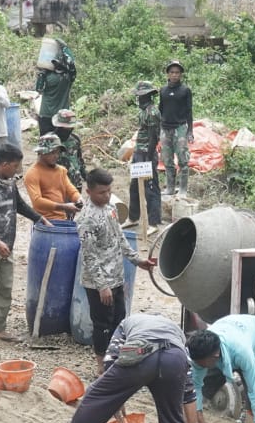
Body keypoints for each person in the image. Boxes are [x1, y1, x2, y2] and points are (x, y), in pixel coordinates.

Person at [41, 313, 201, 423]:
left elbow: (111, 359)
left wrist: (115, 400)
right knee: (173, 420)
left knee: (95, 397)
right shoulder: (177, 335)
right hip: (173, 360)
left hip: (141, 352)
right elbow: (188, 390)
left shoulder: (126, 324)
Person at [0, 142, 50, 353]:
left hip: (7, 247)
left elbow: (19, 205)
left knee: (4, 290)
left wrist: (39, 218)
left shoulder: (9, 183)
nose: (17, 170)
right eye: (15, 166)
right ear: (4, 164)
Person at [76, 168, 156, 371]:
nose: (107, 195)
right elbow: (89, 255)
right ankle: (101, 366)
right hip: (98, 282)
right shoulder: (87, 219)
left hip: (117, 277)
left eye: (109, 191)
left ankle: (117, 360)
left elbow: (120, 237)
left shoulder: (110, 208)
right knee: (102, 324)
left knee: (119, 321)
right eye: (102, 192)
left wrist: (137, 260)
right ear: (89, 191)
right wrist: (102, 286)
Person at [126, 80, 162, 233]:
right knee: (135, 185)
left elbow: (154, 137)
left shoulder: (152, 112)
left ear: (148, 96)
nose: (139, 99)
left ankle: (153, 223)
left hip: (147, 153)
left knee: (150, 187)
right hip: (139, 151)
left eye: (142, 96)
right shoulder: (143, 111)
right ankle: (133, 217)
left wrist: (148, 158)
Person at [24, 133, 82, 222]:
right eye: (52, 152)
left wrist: (79, 199)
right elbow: (37, 202)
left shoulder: (61, 171)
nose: (56, 156)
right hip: (43, 221)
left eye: (58, 152)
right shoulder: (33, 173)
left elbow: (71, 191)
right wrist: (63, 206)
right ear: (41, 152)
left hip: (62, 219)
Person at [159, 60, 194, 197]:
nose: (174, 75)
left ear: (181, 75)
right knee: (167, 160)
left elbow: (189, 111)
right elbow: (160, 109)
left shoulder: (185, 90)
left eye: (177, 72)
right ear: (168, 74)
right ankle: (170, 188)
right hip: (165, 128)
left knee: (183, 159)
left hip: (180, 128)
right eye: (172, 72)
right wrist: (158, 129)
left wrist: (190, 131)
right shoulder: (163, 90)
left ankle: (183, 189)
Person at [35, 39, 74, 134]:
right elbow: (72, 63)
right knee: (60, 143)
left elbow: (38, 89)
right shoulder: (68, 77)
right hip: (62, 117)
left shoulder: (46, 77)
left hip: (46, 115)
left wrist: (42, 73)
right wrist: (65, 47)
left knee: (46, 143)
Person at [52, 108, 87, 192]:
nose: (68, 130)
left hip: (75, 183)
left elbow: (79, 160)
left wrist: (85, 175)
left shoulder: (75, 140)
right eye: (65, 128)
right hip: (57, 185)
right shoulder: (50, 141)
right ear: (58, 126)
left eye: (70, 128)